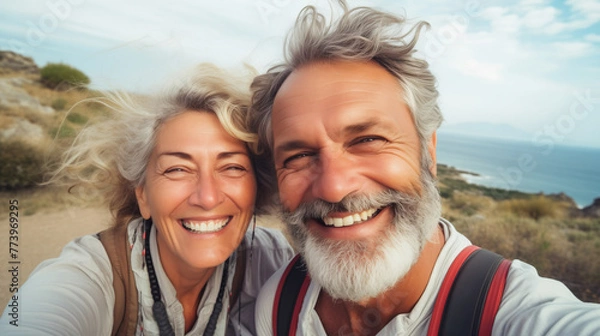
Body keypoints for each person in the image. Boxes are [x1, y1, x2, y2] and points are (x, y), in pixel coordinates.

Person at [249, 2, 600, 335]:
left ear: (428, 152)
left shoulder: (510, 312)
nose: (334, 187)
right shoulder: (278, 304)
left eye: (368, 139)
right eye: (298, 157)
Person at [0, 64, 294, 335]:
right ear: (142, 194)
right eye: (177, 169)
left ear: (256, 185)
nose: (207, 197)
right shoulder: (91, 276)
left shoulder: (272, 259)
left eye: (232, 167)